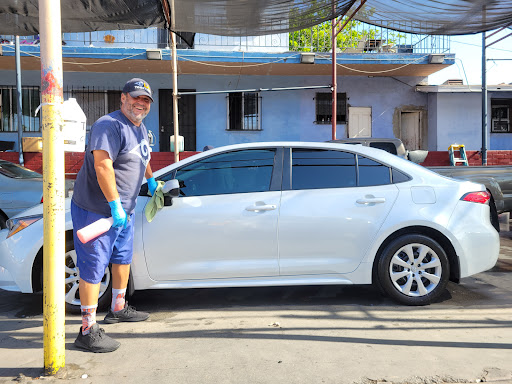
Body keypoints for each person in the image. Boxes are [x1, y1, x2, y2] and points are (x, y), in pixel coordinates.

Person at [71, 78, 159, 353]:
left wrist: (152, 180)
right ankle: (87, 329)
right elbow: (103, 166)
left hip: (125, 210)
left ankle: (118, 307)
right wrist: (114, 204)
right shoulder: (109, 125)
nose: (140, 104)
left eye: (145, 100)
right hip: (97, 211)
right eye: (135, 98)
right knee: (94, 266)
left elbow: (141, 157)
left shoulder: (141, 128)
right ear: (123, 98)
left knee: (122, 258)